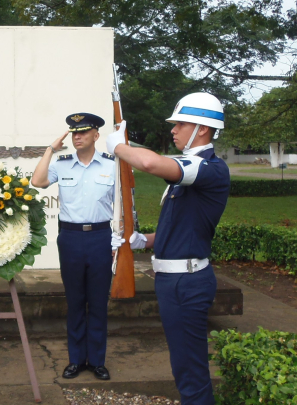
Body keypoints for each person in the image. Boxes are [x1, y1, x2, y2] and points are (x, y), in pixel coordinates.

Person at [106, 92, 229, 405]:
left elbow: (149, 162)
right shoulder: (189, 172)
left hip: (187, 283)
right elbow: (180, 227)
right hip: (173, 282)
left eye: (180, 124)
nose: (173, 130)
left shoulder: (211, 168)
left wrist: (119, 146)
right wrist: (144, 241)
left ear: (202, 129)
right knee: (183, 365)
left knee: (191, 370)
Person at [31, 113, 115, 381]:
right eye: (74, 132)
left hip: (101, 237)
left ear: (95, 135)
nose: (77, 137)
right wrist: (50, 150)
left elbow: (123, 206)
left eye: (83, 132)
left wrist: (119, 241)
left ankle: (97, 361)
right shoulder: (62, 164)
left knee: (99, 302)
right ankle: (76, 360)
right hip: (70, 238)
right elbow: (38, 181)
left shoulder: (112, 166)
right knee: (76, 302)